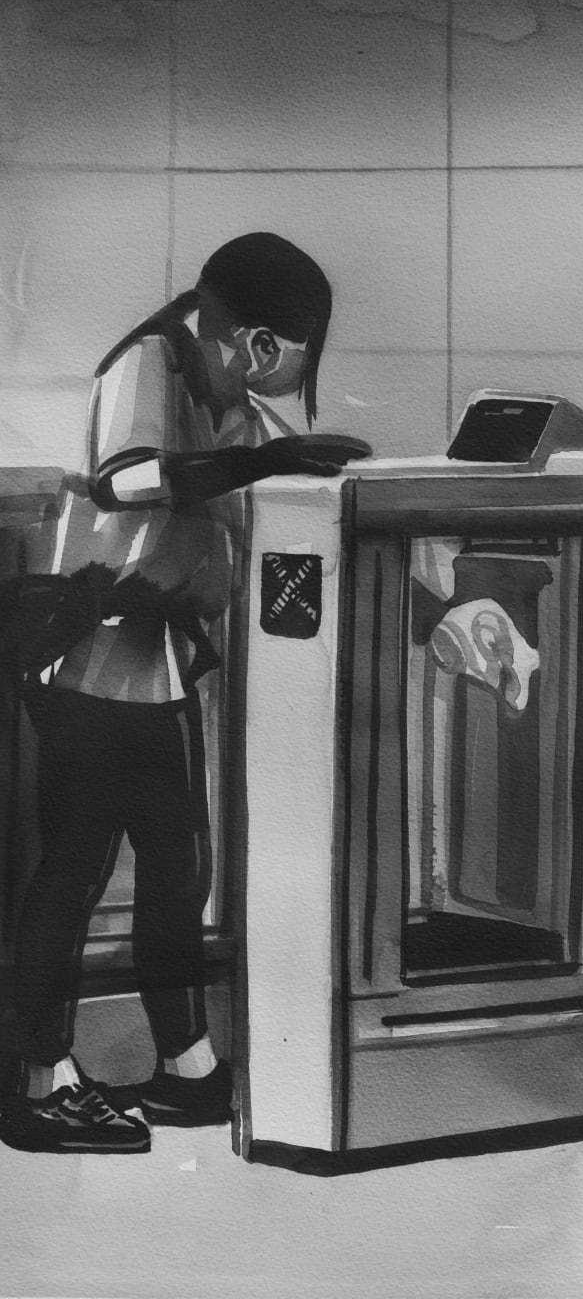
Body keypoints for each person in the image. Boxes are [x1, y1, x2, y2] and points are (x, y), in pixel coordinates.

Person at [0, 233, 369, 1154]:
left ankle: (189, 1068)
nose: (289, 378)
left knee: (178, 871)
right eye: (294, 359)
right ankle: (40, 1081)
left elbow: (268, 485)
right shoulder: (147, 361)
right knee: (74, 872)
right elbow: (129, 481)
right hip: (90, 658)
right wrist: (262, 466)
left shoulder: (231, 401)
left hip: (160, 665)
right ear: (257, 343)